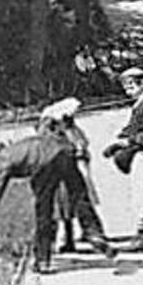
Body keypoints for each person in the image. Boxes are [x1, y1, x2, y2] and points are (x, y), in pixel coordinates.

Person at [0, 131, 116, 274]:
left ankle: (42, 260)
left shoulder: (1, 161)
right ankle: (94, 234)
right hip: (63, 154)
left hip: (45, 163)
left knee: (44, 211)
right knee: (79, 196)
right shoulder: (12, 150)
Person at [103, 67, 143, 252]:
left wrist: (127, 142)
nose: (127, 89)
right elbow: (133, 127)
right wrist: (119, 139)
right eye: (125, 86)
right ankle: (142, 233)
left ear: (142, 83)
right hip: (140, 153)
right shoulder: (139, 104)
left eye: (131, 84)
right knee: (138, 192)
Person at [41, 97, 100, 254]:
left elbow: (83, 143)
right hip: (63, 171)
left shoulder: (73, 130)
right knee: (63, 205)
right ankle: (66, 239)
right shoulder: (53, 133)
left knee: (75, 202)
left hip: (78, 168)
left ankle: (82, 234)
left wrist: (80, 150)